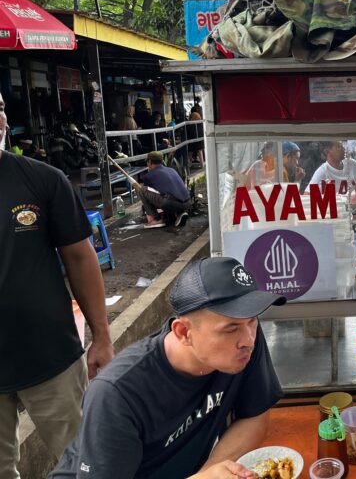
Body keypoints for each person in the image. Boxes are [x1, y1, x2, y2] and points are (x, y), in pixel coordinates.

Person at [50, 257, 286, 479]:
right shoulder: (117, 393)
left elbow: (255, 416)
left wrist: (208, 472)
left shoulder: (244, 342)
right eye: (230, 328)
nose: (248, 339)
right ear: (183, 332)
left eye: (253, 320)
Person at [0, 91, 114, 477]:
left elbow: (80, 258)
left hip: (51, 359)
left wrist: (102, 336)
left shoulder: (42, 180)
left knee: (85, 462)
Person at [138, 151, 191, 229]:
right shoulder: (172, 170)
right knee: (170, 193)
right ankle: (180, 213)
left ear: (150, 162)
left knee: (142, 190)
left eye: (147, 162)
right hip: (187, 202)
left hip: (171, 202)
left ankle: (156, 219)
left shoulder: (148, 176)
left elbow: (151, 196)